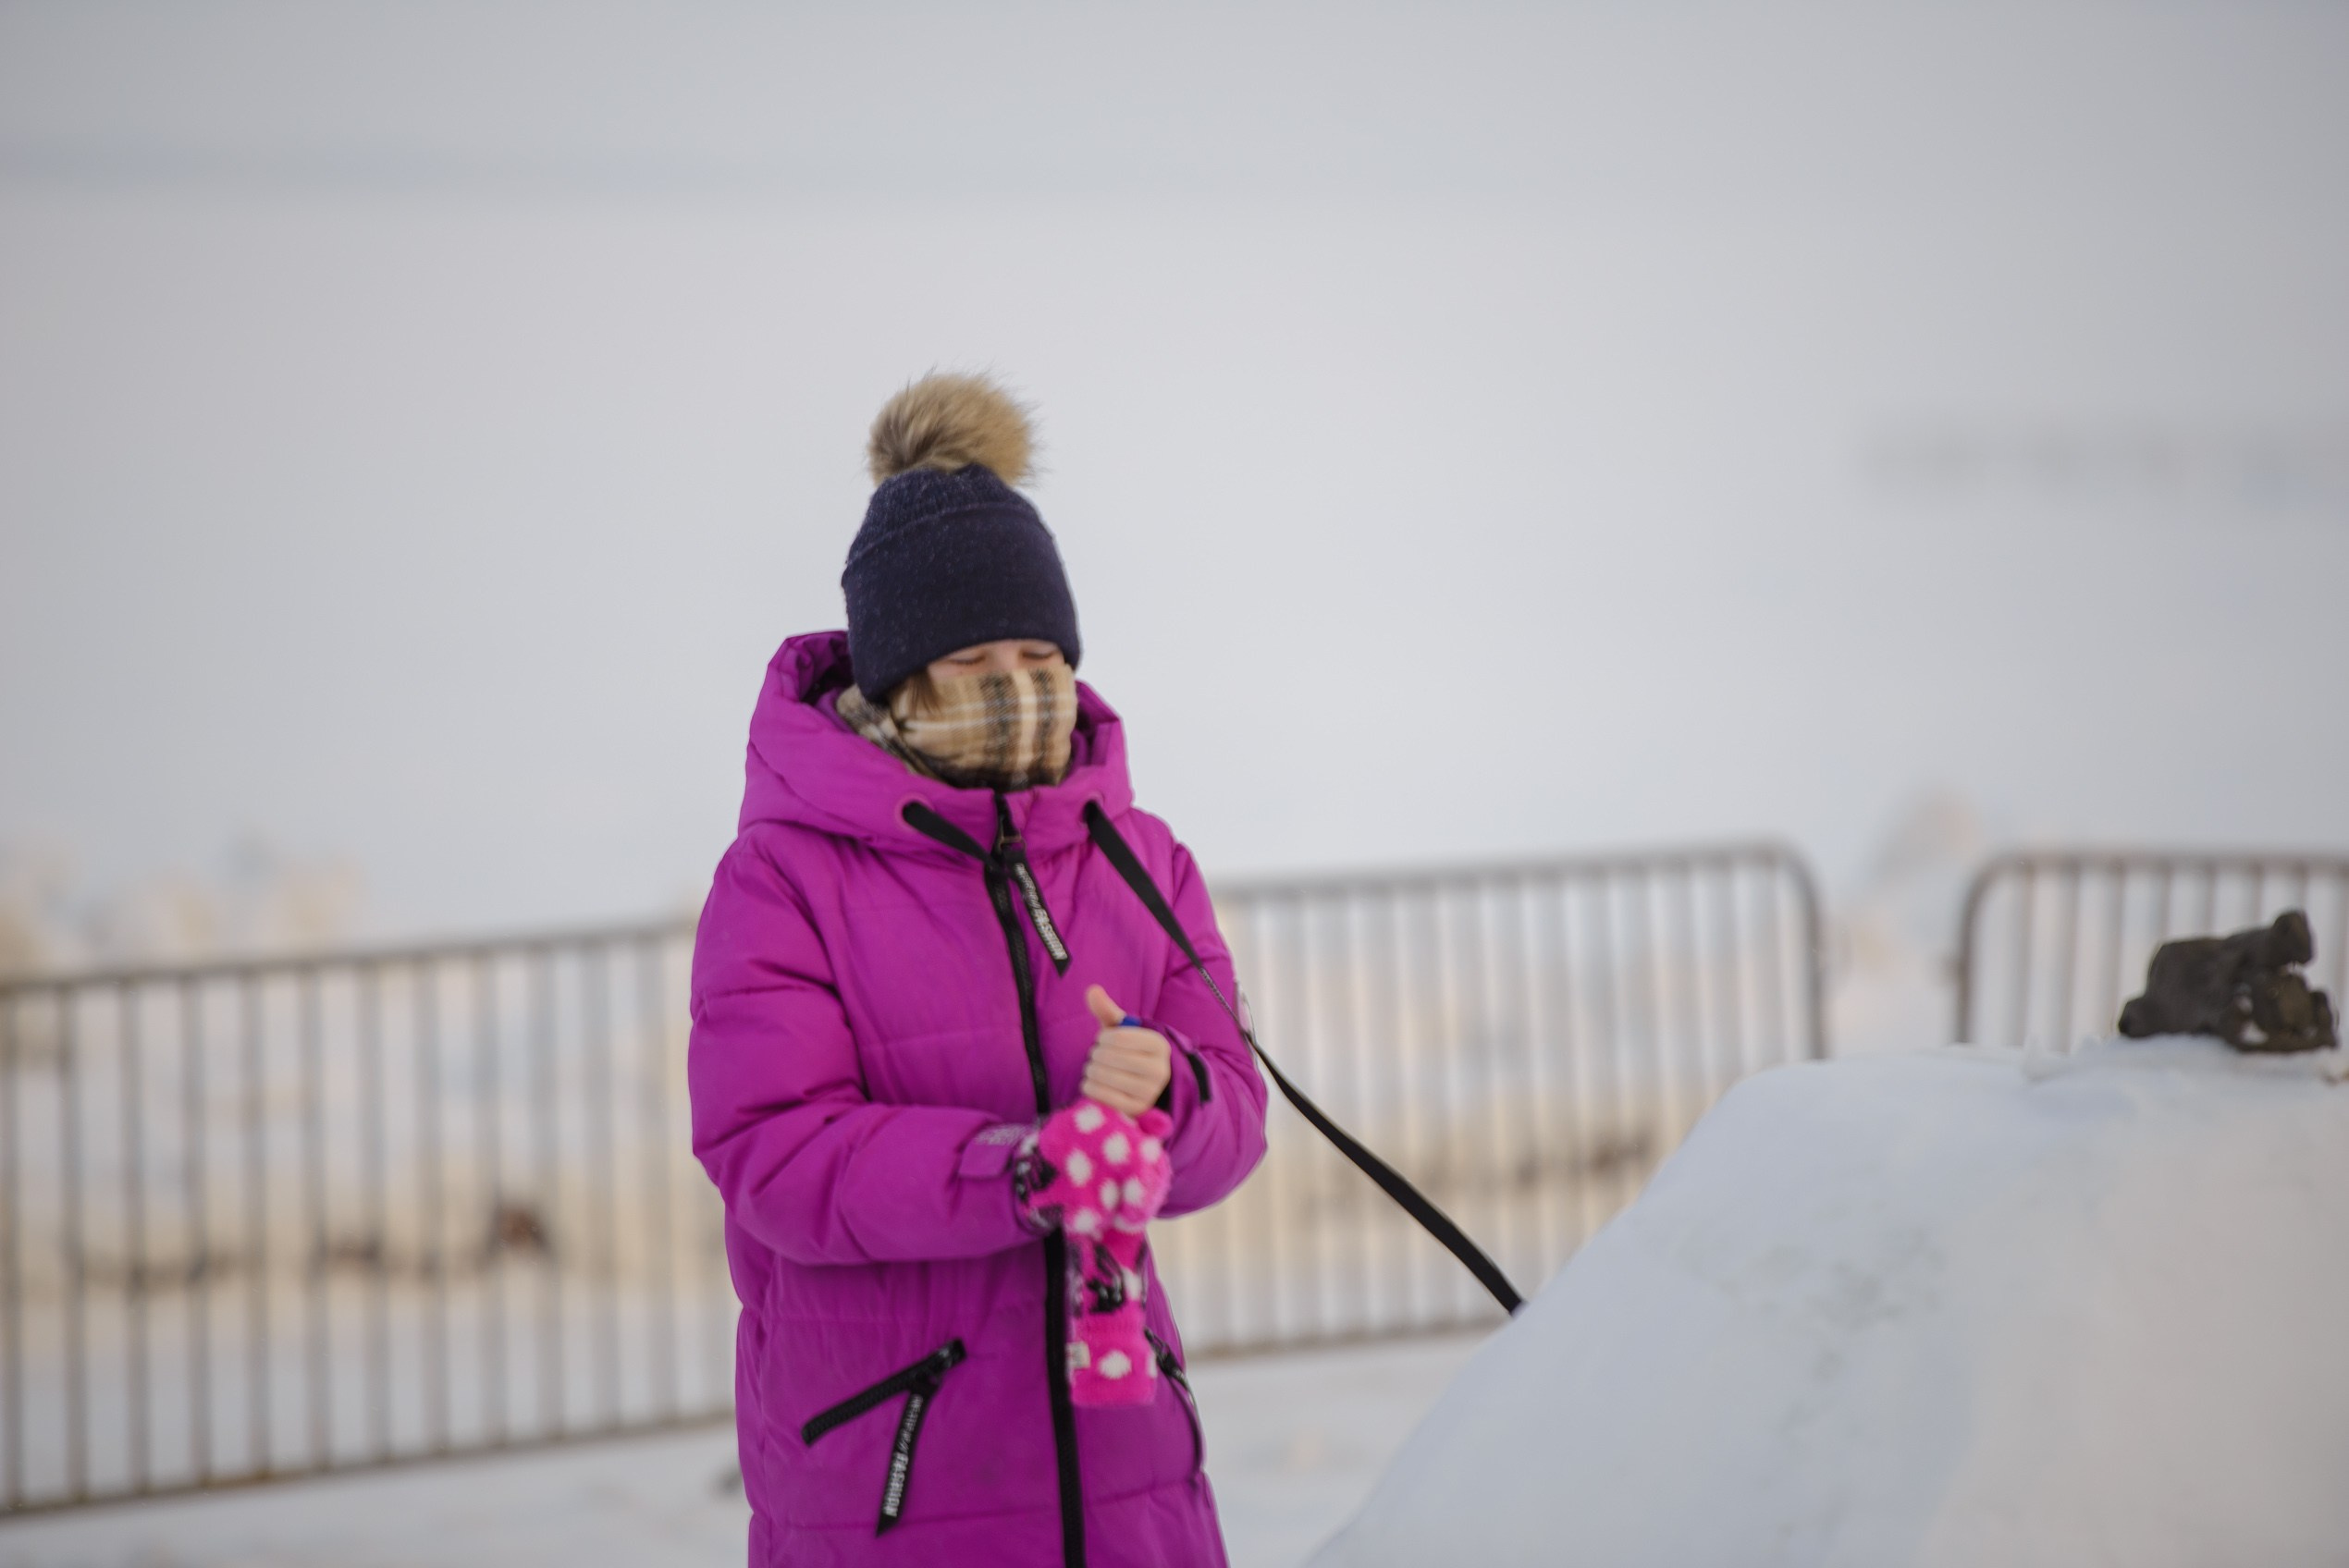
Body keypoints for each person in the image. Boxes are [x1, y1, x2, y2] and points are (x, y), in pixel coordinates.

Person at [689, 372, 1271, 1566]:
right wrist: (1017, 1172)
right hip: (894, 1477)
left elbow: (1237, 1110)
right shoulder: (784, 878)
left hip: (1129, 1480)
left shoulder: (1138, 855)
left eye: (1038, 651)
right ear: (898, 680)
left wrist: (1170, 1095)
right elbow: (774, 1154)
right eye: (973, 662)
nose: (1019, 688)